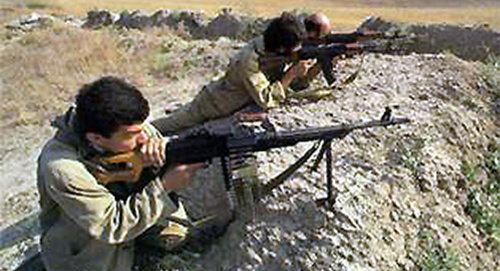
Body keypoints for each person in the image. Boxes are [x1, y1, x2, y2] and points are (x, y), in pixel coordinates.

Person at [36, 76, 201, 271]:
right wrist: (164, 187)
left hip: (135, 231)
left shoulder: (130, 128)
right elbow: (110, 224)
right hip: (92, 254)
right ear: (96, 138)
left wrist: (163, 157)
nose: (143, 137)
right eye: (132, 135)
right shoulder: (62, 167)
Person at [152, 12, 310, 135]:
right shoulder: (249, 60)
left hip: (223, 96)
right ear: (282, 48)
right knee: (172, 123)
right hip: (213, 104)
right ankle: (137, 132)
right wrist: (290, 74)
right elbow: (266, 100)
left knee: (179, 115)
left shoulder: (267, 46)